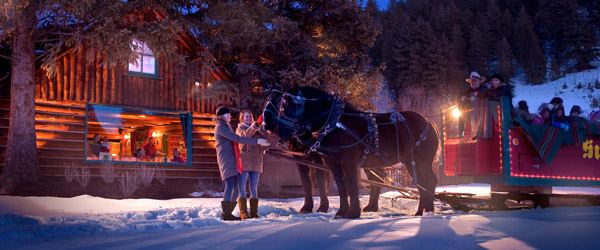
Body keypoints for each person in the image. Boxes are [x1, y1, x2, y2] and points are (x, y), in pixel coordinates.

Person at [213, 106, 270, 221]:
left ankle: (228, 212)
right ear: (221, 116)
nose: (230, 116)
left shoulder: (226, 126)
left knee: (234, 186)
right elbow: (237, 138)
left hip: (232, 159)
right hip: (227, 159)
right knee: (231, 185)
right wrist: (257, 141)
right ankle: (226, 213)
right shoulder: (221, 127)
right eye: (227, 114)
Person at [235, 110, 268, 219]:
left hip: (256, 161)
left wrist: (262, 127)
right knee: (242, 187)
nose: (248, 118)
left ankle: (254, 212)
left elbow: (267, 139)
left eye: (250, 116)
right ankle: (243, 212)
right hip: (244, 162)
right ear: (242, 118)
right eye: (246, 117)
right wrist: (255, 126)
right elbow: (245, 137)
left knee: (254, 188)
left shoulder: (257, 128)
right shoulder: (240, 129)